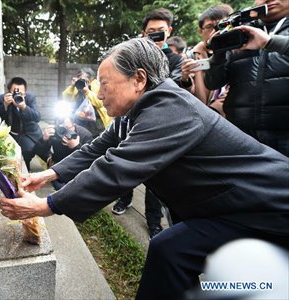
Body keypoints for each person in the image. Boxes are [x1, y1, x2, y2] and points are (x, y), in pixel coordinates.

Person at [0, 38, 289, 299]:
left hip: (268, 206)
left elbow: (117, 167)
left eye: (105, 84)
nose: (99, 95)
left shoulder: (170, 106)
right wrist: (47, 175)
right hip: (230, 208)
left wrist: (46, 204)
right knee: (171, 252)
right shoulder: (134, 112)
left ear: (138, 79)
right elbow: (98, 148)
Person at [113, 8, 186, 238]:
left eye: (160, 32)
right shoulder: (133, 59)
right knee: (127, 163)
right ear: (143, 34)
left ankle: (154, 222)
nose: (155, 37)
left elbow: (174, 92)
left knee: (158, 178)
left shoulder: (177, 61)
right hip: (133, 122)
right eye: (150, 33)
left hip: (162, 127)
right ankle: (124, 198)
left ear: (169, 32)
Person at [205, 0, 289, 157]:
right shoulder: (239, 30)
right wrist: (218, 53)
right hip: (242, 134)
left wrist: (270, 42)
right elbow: (213, 83)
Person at [180, 4, 234, 107]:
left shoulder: (239, 51)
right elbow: (186, 97)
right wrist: (185, 80)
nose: (216, 30)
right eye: (209, 27)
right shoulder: (191, 56)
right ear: (200, 31)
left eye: (221, 25)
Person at [0, 77, 42, 171]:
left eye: (21, 93)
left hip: (27, 133)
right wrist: (5, 105)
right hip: (11, 133)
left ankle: (27, 166)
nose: (17, 95)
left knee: (28, 150)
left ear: (25, 92)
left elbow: (37, 117)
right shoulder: (2, 99)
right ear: (8, 92)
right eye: (15, 93)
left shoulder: (30, 98)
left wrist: (24, 107)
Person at [33, 115, 93, 190]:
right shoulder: (55, 132)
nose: (64, 132)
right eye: (62, 128)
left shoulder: (84, 135)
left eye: (67, 128)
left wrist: (76, 146)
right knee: (60, 187)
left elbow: (89, 161)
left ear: (74, 124)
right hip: (59, 164)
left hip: (77, 167)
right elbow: (39, 151)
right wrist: (44, 139)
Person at [62, 68, 112, 137]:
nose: (79, 79)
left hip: (96, 123)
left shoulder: (97, 85)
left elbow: (100, 103)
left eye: (81, 77)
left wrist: (87, 91)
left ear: (90, 78)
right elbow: (65, 98)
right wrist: (72, 86)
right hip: (79, 121)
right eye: (78, 77)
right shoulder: (78, 86)